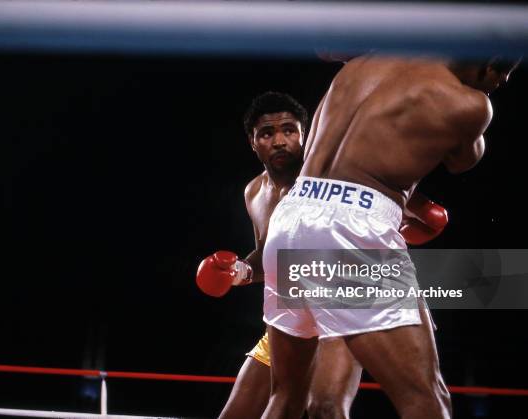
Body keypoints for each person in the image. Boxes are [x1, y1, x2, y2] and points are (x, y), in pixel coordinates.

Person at [260, 55, 519, 419]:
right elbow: (464, 160)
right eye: (503, 70)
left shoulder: (369, 58)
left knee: (286, 397)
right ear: (484, 58)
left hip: (291, 215)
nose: (503, 81)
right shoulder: (471, 104)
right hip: (352, 228)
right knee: (426, 399)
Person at [197, 91, 449, 418]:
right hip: (294, 310)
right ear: (253, 142)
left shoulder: (332, 172)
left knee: (326, 407)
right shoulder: (255, 192)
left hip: (341, 298)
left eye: (289, 130)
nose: (279, 141)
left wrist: (421, 213)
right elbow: (269, 254)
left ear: (305, 136)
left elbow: (398, 193)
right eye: (267, 133)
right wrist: (242, 271)